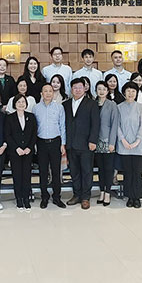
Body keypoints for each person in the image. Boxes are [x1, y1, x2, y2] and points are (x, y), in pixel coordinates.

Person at [63, 78, 100, 209]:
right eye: (75, 88)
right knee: (74, 172)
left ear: (85, 88)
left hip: (86, 144)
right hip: (71, 144)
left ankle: (85, 197)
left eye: (80, 87)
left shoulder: (92, 104)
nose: (77, 90)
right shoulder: (65, 104)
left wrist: (93, 140)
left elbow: (96, 124)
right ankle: (76, 194)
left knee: (86, 171)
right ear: (71, 89)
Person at [34, 84, 68, 209]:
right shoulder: (36, 108)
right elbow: (34, 127)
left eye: (50, 91)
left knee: (56, 171)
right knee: (43, 171)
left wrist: (63, 144)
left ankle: (57, 197)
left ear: (53, 93)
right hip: (41, 142)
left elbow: (62, 126)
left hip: (55, 142)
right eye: (45, 91)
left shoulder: (59, 107)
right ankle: (44, 197)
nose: (48, 93)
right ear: (41, 93)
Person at [116, 83, 142, 208]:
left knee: (137, 172)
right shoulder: (119, 107)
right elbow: (117, 125)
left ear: (136, 93)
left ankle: (137, 197)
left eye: (133, 91)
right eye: (128, 91)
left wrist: (137, 141)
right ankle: (129, 196)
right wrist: (123, 140)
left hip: (138, 146)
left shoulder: (141, 107)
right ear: (124, 93)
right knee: (127, 172)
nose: (130, 93)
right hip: (124, 146)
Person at [4, 94, 38, 211]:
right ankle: (19, 199)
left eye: (23, 102)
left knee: (27, 176)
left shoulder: (31, 117)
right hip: (15, 152)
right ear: (14, 104)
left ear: (26, 104)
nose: (21, 104)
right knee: (17, 176)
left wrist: (29, 147)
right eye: (18, 102)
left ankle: (26, 199)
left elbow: (34, 134)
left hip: (28, 152)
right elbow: (7, 135)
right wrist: (16, 148)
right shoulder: (9, 118)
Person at [93, 81, 119, 206]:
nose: (101, 91)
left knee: (108, 168)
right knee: (100, 168)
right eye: (99, 89)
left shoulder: (112, 105)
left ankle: (108, 192)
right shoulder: (93, 104)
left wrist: (112, 142)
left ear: (107, 91)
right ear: (96, 91)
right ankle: (102, 191)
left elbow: (115, 124)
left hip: (108, 140)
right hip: (96, 141)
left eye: (104, 89)